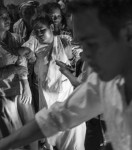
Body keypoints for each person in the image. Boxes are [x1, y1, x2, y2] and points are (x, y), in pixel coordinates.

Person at [0, 0, 132, 150]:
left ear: (129, 35)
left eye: (91, 43)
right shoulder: (107, 82)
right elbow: (59, 117)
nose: (84, 56)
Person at [23, 14, 86, 150]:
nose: (39, 34)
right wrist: (28, 54)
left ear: (51, 27)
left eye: (42, 30)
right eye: (36, 31)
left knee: (72, 142)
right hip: (47, 103)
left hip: (66, 102)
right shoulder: (34, 44)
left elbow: (78, 59)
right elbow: (24, 50)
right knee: (50, 143)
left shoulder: (63, 41)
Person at [0, 6, 37, 150]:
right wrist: (13, 68)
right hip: (5, 94)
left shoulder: (15, 38)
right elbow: (18, 64)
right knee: (13, 131)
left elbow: (25, 62)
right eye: (2, 17)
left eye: (7, 16)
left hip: (21, 89)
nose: (7, 19)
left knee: (30, 126)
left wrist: (30, 54)